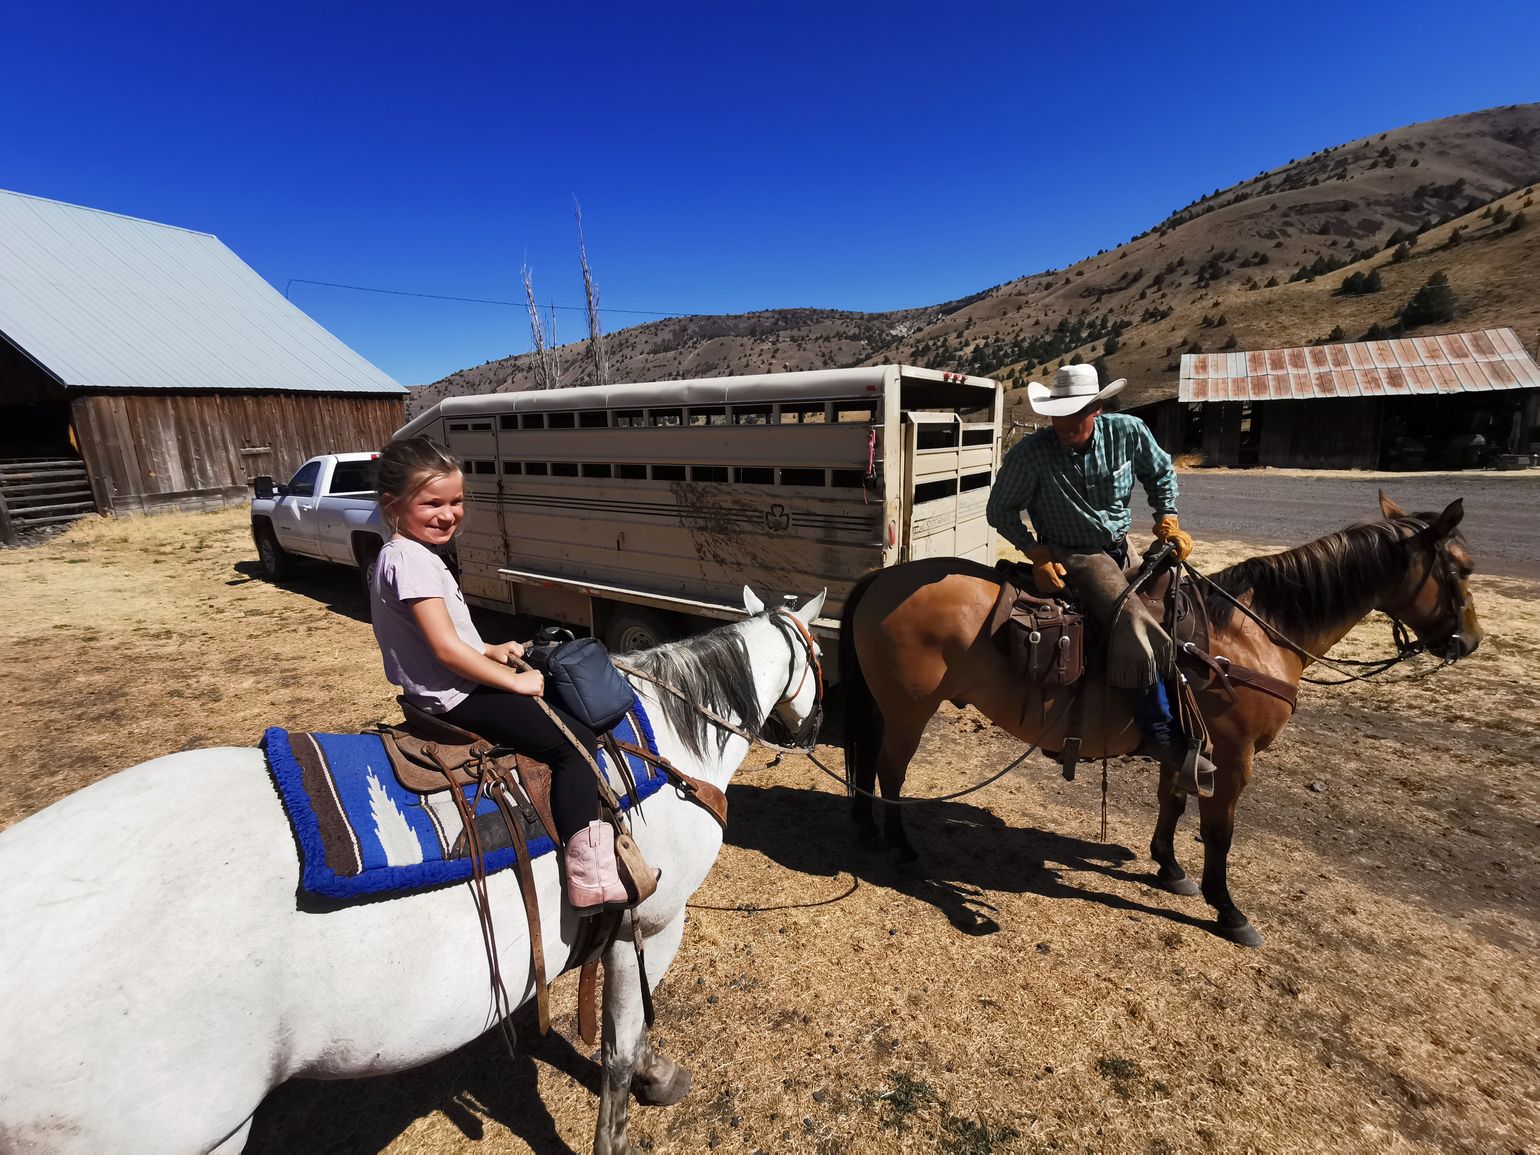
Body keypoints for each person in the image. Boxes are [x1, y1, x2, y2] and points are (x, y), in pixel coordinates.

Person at [369, 436, 627, 912]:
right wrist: (514, 681)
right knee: (576, 745)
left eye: (456, 501)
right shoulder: (412, 561)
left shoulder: (406, 554)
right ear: (393, 505)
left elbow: (443, 637)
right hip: (459, 693)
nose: (448, 514)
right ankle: (588, 877)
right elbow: (446, 651)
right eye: (432, 504)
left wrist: (490, 647)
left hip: (450, 684)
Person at [985, 364, 1215, 792]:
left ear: (1098, 407)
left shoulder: (1127, 432)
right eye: (1059, 415)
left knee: (1176, 597)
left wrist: (1167, 515)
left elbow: (1161, 471)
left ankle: (1185, 693)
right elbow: (999, 511)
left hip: (1121, 545)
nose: (1066, 424)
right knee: (1130, 616)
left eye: (1077, 414)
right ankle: (1160, 732)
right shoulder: (1031, 455)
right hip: (1073, 554)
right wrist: (1035, 552)